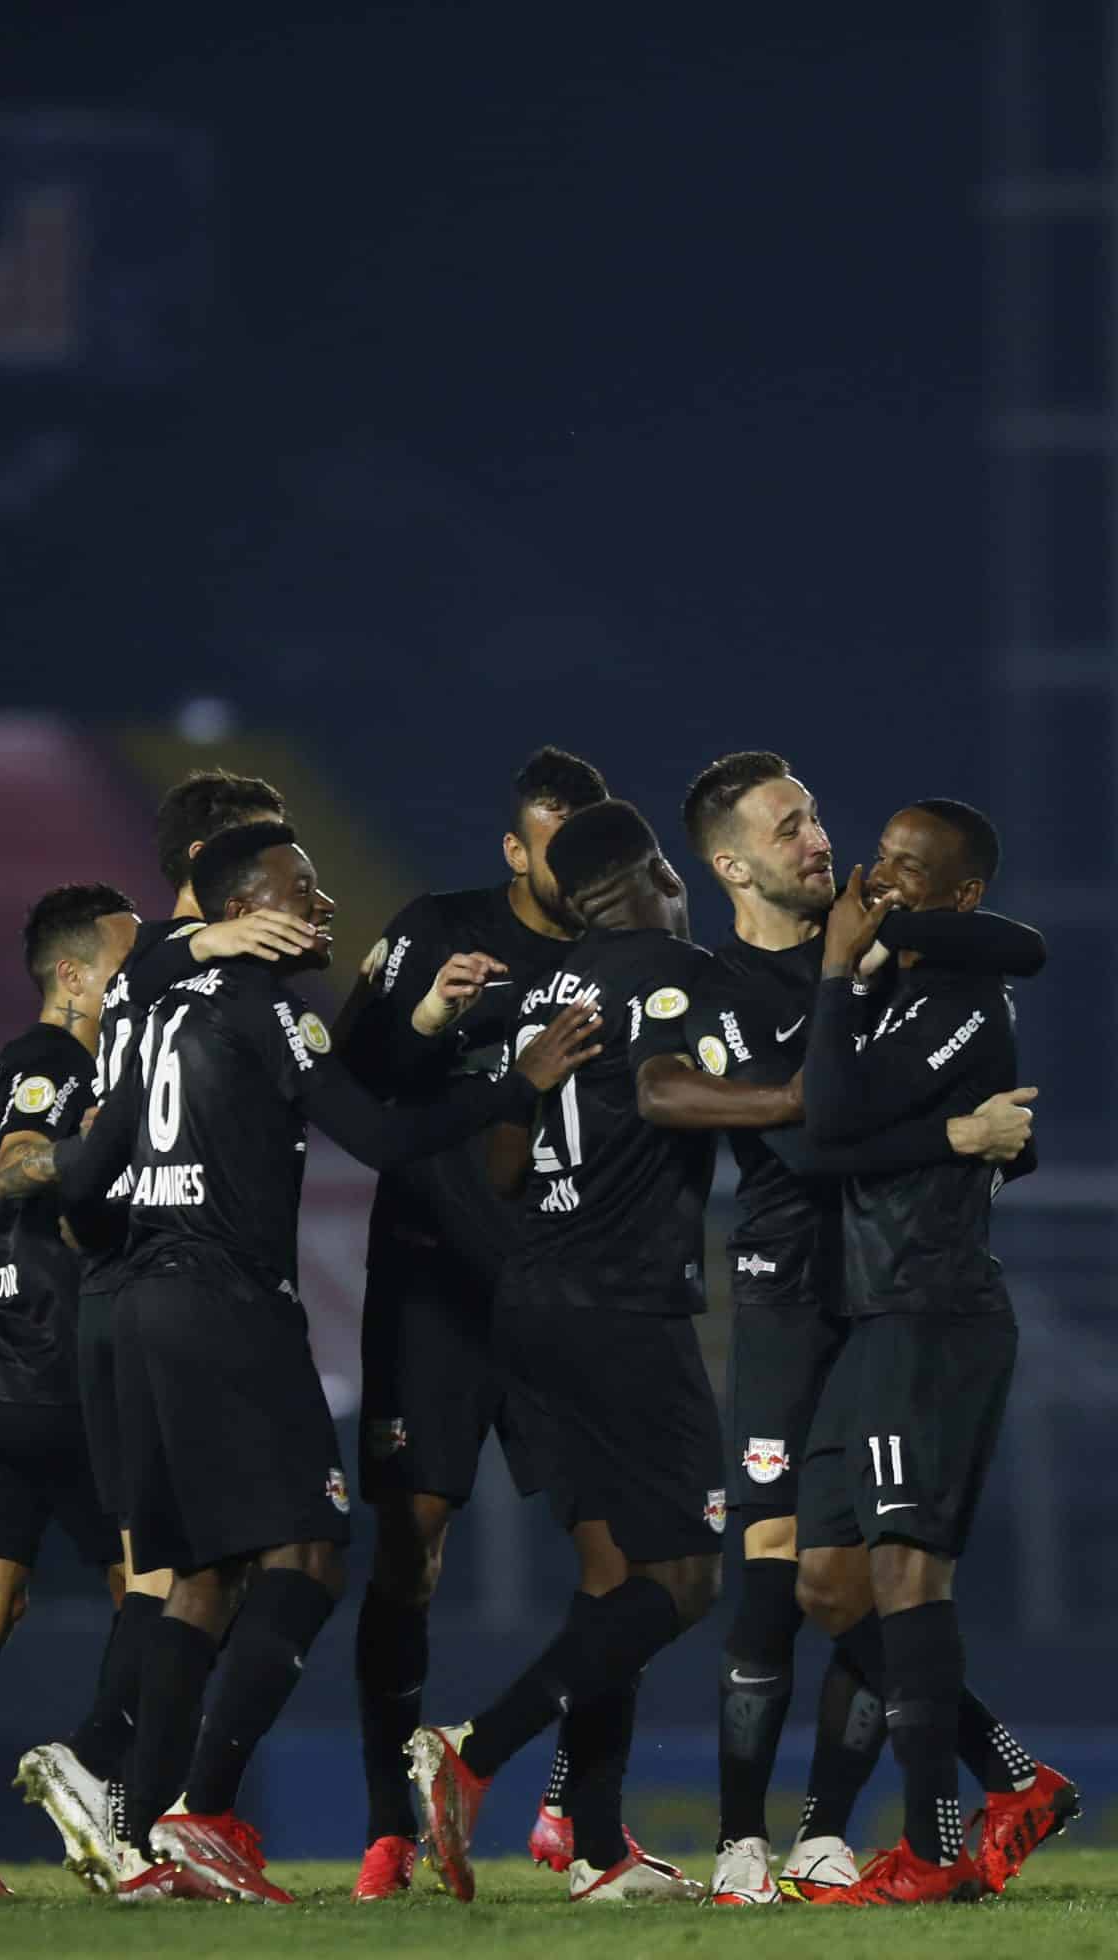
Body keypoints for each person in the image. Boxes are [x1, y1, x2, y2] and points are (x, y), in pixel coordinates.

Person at [61, 820, 603, 1903]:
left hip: (133, 1304)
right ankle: (199, 1812)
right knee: (308, 1557)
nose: (319, 907)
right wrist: (520, 1077)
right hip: (224, 1305)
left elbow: (124, 1030)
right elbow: (387, 1138)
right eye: (294, 890)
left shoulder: (140, 1005)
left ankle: (139, 1834)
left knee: (200, 1578)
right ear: (236, 912)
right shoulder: (266, 1009)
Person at [678, 755, 1044, 1906]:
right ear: (732, 863)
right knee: (803, 1578)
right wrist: (956, 1135)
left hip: (900, 1300)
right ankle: (771, 1832)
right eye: (791, 826)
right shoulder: (727, 986)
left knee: (883, 1570)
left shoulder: (901, 961)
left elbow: (1016, 950)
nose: (822, 842)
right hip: (792, 1298)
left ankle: (844, 1834)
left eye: (818, 818)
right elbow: (805, 1142)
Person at [413, 799, 742, 1906]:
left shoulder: (539, 994)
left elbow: (503, 1168)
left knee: (611, 1585)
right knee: (687, 1579)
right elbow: (679, 1093)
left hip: (531, 1302)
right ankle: (473, 1752)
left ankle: (597, 1848)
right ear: (654, 870)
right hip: (624, 1309)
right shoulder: (681, 972)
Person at [15, 769, 315, 1887]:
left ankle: (123, 1798)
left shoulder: (170, 981)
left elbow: (96, 1168)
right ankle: (117, 1775)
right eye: (270, 852)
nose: (294, 873)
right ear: (217, 868)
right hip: (176, 1297)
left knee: (181, 1568)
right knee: (228, 1561)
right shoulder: (182, 978)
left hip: (131, 1292)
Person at [330, 744, 611, 1898]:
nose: (580, 873)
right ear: (514, 849)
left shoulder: (624, 953)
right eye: (557, 850)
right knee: (410, 1551)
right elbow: (351, 1080)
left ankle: (577, 1815)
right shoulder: (434, 929)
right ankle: (387, 1825)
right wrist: (439, 1022)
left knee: (623, 1556)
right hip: (432, 1288)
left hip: (567, 1291)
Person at [792, 807, 1076, 1905]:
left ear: (956, 898)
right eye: (881, 859)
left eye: (912, 872)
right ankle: (1015, 1779)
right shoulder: (890, 990)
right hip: (870, 1313)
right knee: (827, 1582)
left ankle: (931, 1846)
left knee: (909, 1575)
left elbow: (825, 1120)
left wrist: (830, 976)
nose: (882, 881)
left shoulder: (957, 995)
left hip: (933, 1311)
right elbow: (837, 1132)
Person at [0, 884, 139, 1900]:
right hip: (59, 1375)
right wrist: (87, 1152)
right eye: (125, 964)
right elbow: (15, 1166)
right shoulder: (57, 1061)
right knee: (160, 1587)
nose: (140, 983)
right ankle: (115, 1813)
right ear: (72, 975)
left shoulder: (16, 1059)